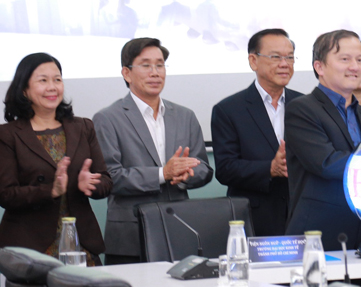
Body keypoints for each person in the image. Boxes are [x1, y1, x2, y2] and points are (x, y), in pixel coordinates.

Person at [93, 38, 213, 264]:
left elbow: (204, 169)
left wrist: (187, 174)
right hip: (130, 237)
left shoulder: (185, 115)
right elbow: (110, 177)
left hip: (179, 231)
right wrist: (163, 174)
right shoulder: (107, 118)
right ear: (127, 73)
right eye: (146, 65)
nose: (155, 72)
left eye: (160, 65)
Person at [0, 53, 112, 265]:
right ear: (24, 90)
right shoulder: (7, 135)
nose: (52, 87)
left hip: (81, 244)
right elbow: (5, 194)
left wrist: (90, 184)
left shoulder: (83, 127)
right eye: (43, 80)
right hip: (30, 247)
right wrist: (50, 191)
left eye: (57, 79)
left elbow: (106, 181)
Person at [284, 30, 361, 251]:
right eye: (345, 59)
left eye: (360, 60)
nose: (355, 67)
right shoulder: (302, 109)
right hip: (319, 233)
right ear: (319, 67)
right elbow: (326, 163)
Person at [211, 29, 303, 237]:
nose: (285, 64)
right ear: (253, 61)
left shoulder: (305, 105)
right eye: (276, 57)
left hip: (302, 215)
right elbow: (225, 169)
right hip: (257, 219)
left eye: (290, 57)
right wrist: (270, 168)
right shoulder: (229, 110)